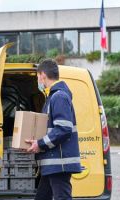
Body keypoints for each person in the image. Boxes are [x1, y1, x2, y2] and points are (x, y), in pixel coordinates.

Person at [26, 59, 81, 200]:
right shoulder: (53, 97)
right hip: (52, 162)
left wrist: (40, 144)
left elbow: (63, 129)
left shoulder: (59, 97)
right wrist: (37, 142)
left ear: (43, 74)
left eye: (37, 76)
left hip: (59, 163)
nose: (38, 80)